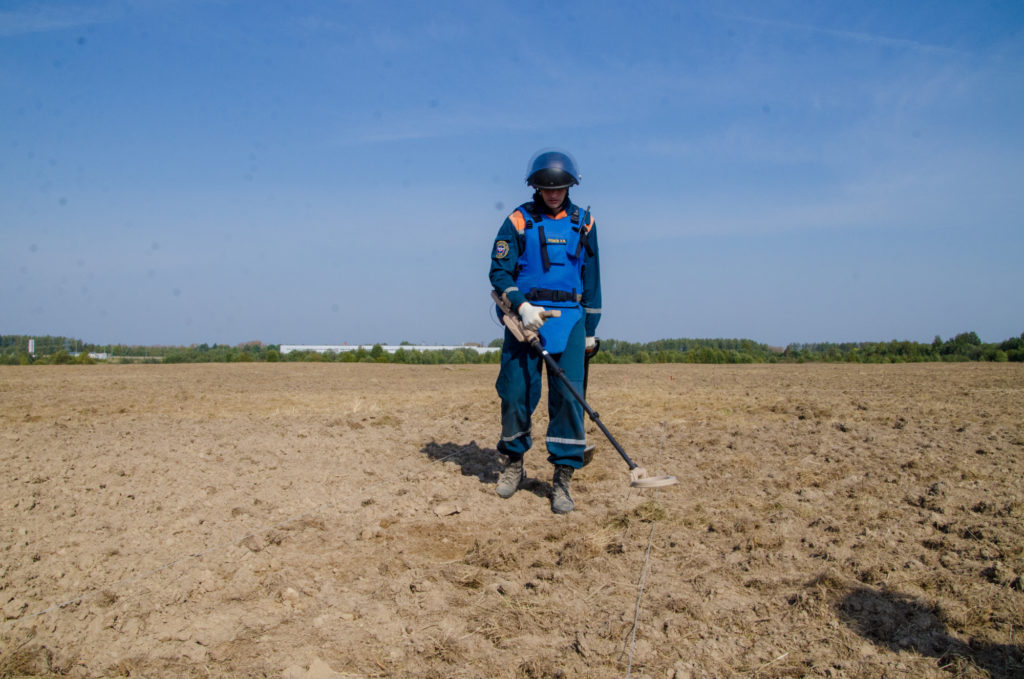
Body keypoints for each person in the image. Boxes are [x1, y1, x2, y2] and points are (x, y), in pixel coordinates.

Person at [489, 149, 601, 514]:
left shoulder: (585, 222)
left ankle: (563, 479)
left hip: (569, 320)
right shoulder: (517, 221)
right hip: (524, 320)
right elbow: (499, 271)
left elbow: (592, 280)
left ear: (571, 186)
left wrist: (589, 329)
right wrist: (521, 306)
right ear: (535, 187)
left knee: (569, 399)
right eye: (546, 188)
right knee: (516, 392)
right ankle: (514, 465)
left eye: (560, 188)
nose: (553, 194)